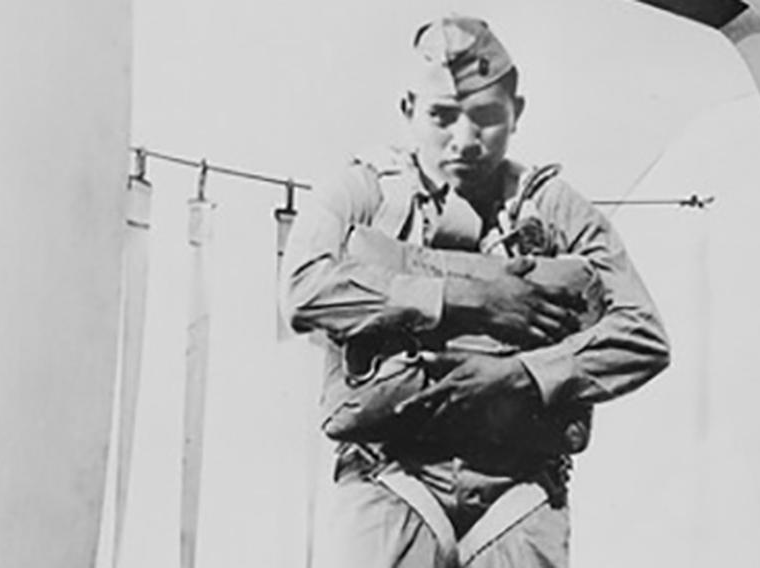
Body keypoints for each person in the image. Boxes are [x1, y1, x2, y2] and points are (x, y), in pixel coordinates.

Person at [280, 15, 670, 568]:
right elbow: (304, 287)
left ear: (517, 113)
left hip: (519, 492)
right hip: (389, 477)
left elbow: (643, 334)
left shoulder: (555, 209)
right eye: (441, 116)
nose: (464, 140)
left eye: (486, 117)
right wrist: (469, 299)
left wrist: (521, 376)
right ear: (408, 110)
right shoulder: (362, 193)